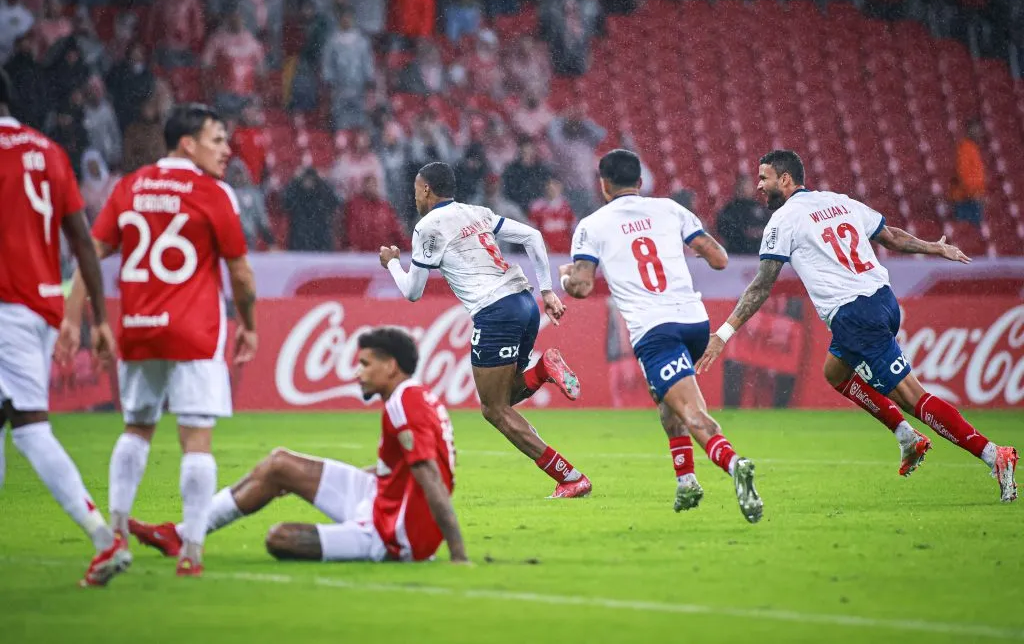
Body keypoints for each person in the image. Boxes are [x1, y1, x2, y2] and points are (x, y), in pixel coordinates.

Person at [696, 149, 1018, 502]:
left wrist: (722, 334)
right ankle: (907, 438)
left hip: (855, 316)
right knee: (835, 372)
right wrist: (933, 248)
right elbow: (891, 236)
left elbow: (761, 286)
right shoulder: (838, 202)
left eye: (764, 178)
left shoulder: (784, 220)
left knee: (913, 397)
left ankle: (993, 454)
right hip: (883, 299)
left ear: (785, 179)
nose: (759, 186)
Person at [60, 104, 260, 577]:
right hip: (194, 332)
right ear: (187, 143)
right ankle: (191, 550)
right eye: (217, 139)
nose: (226, 149)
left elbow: (89, 255)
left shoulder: (129, 186)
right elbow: (242, 274)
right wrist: (249, 323)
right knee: (196, 439)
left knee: (136, 428)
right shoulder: (214, 193)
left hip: (138, 328)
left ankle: (115, 534)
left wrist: (76, 320)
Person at [127, 327, 468, 563]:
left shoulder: (404, 406)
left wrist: (456, 553)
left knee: (280, 538)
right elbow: (402, 471)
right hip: (379, 496)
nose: (358, 372)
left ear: (390, 366)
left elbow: (430, 477)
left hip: (395, 533)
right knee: (279, 464)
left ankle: (185, 536)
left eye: (365, 364)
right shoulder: (415, 396)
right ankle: (182, 535)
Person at [560, 149, 763, 522]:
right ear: (640, 182)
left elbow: (582, 288)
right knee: (666, 402)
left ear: (603, 185)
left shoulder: (592, 225)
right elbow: (719, 259)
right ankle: (686, 481)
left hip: (655, 330)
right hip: (694, 322)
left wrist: (566, 277)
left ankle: (736, 465)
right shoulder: (671, 210)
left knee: (690, 410)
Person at [380, 162, 591, 498]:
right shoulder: (475, 212)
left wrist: (391, 262)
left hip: (495, 312)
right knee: (504, 398)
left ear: (424, 190)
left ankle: (570, 478)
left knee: (494, 410)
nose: (415, 197)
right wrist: (547, 290)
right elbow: (533, 237)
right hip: (523, 302)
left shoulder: (428, 227)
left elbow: (412, 292)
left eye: (415, 190)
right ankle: (541, 370)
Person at [0, 69, 131, 586]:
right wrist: (98, 317)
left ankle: (104, 538)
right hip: (39, 306)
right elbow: (82, 239)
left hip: (4, 307)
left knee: (31, 430)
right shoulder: (49, 151)